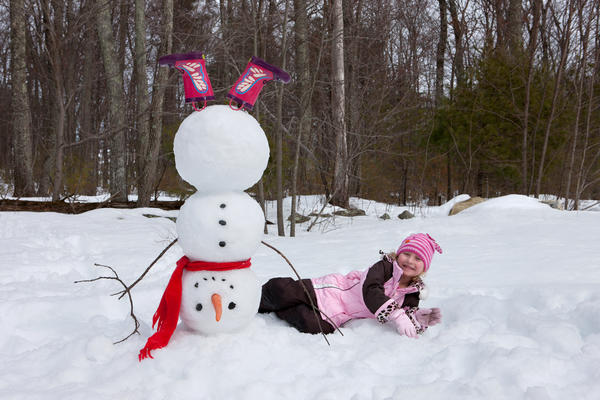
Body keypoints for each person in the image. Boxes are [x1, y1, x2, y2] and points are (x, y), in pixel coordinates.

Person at [259, 233, 443, 337]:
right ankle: (254, 298)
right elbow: (371, 290)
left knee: (312, 325)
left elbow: (406, 314)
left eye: (418, 258)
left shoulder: (413, 292)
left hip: (339, 315)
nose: (410, 261)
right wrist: (397, 314)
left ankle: (280, 310)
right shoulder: (385, 267)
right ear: (399, 254)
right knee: (283, 291)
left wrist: (418, 318)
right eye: (407, 254)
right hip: (331, 292)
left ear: (424, 266)